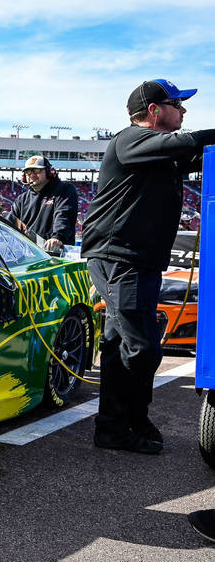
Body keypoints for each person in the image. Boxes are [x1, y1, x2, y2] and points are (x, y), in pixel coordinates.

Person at [82, 79, 215, 454]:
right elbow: (188, 142)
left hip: (139, 259)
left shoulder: (159, 151)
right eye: (177, 104)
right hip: (117, 256)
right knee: (143, 346)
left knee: (119, 342)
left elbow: (194, 151)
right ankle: (130, 421)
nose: (184, 111)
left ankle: (112, 426)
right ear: (154, 110)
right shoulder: (130, 139)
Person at [9, 156, 78, 252]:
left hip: (56, 254)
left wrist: (58, 237)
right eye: (28, 171)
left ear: (49, 172)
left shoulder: (64, 189)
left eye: (37, 170)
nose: (32, 175)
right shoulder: (21, 199)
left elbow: (63, 214)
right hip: (28, 255)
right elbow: (9, 224)